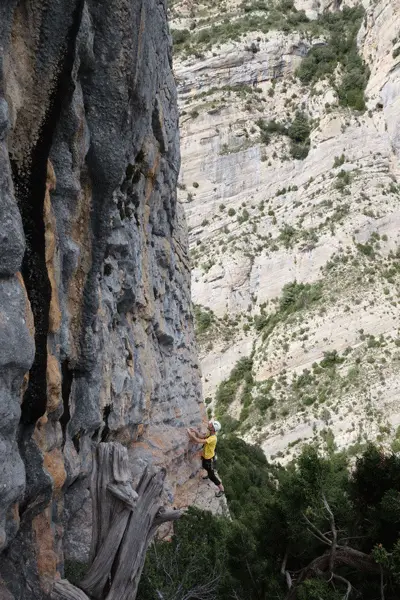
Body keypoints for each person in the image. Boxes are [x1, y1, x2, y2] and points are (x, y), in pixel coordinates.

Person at [187, 420, 225, 497]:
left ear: (213, 429)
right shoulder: (210, 433)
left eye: (211, 425)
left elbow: (199, 440)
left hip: (209, 459)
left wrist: (191, 435)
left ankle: (222, 490)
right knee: (205, 466)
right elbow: (201, 436)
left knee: (212, 477)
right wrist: (195, 431)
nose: (209, 424)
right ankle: (209, 472)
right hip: (206, 457)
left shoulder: (213, 438)